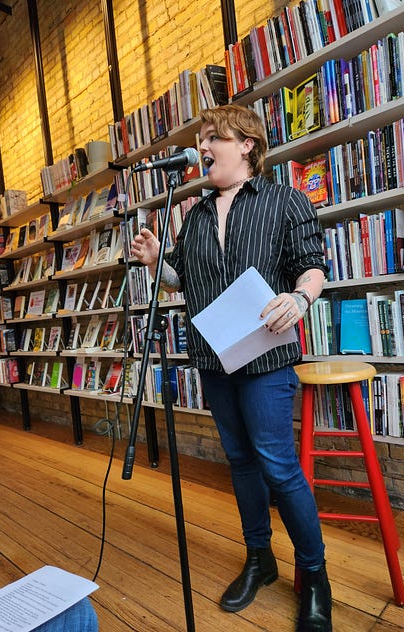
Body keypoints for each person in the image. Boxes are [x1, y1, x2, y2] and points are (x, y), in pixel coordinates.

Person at [131, 103, 332, 631]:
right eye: (201, 139)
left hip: (266, 357)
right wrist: (158, 261)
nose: (202, 146)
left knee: (278, 467)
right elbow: (183, 281)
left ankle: (314, 576)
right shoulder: (194, 213)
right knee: (240, 463)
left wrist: (300, 300)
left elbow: (312, 266)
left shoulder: (284, 200)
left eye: (212, 136)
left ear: (246, 144)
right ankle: (260, 559)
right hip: (215, 358)